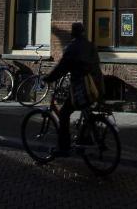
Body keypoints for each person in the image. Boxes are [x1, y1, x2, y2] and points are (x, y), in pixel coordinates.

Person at [44, 22, 102, 156]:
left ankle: (63, 148)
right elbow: (95, 65)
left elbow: (62, 67)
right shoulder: (90, 45)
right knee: (86, 110)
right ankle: (85, 138)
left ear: (73, 33)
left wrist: (48, 78)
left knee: (64, 113)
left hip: (81, 88)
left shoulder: (72, 47)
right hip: (95, 86)